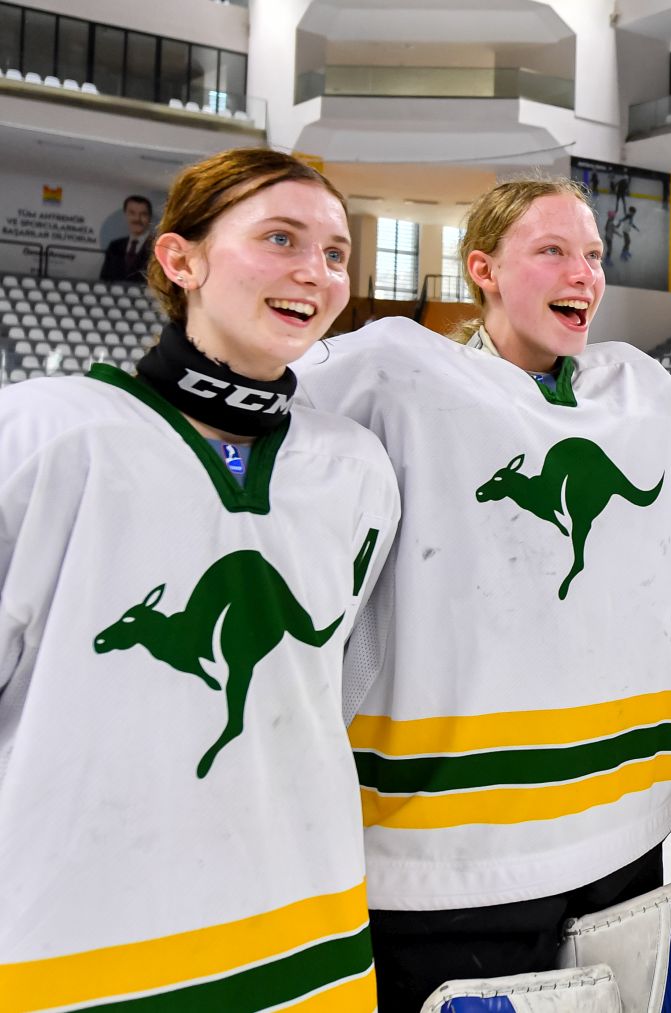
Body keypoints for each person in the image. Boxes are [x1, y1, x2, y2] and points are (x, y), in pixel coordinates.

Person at [291, 177, 671, 1012]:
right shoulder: (396, 373)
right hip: (450, 858)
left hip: (624, 836)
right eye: (552, 251)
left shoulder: (638, 393)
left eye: (592, 254)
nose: (583, 273)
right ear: (482, 269)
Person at [0, 148, 398, 1008]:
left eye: (335, 252)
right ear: (180, 260)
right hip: (74, 952)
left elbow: (333, 686)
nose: (316, 271)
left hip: (308, 941)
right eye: (281, 238)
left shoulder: (357, 469)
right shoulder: (41, 439)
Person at [100, 194, 155, 283]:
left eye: (143, 214)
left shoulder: (156, 248)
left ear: (150, 217)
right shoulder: (114, 246)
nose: (137, 219)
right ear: (126, 215)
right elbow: (104, 280)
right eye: (132, 213)